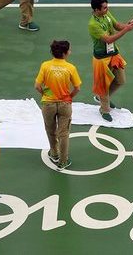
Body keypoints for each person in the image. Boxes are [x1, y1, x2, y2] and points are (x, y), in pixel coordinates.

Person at [89, 0, 133, 121]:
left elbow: (117, 26)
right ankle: (104, 109)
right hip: (101, 59)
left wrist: (129, 25)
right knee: (103, 86)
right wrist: (127, 30)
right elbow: (109, 39)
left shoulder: (106, 15)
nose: (107, 9)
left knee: (120, 80)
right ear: (96, 10)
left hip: (113, 54)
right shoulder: (93, 25)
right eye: (104, 8)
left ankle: (101, 98)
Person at [34, 40, 82, 170]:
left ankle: (54, 153)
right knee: (64, 133)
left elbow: (37, 86)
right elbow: (77, 88)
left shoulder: (45, 66)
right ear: (65, 53)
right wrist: (69, 98)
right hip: (64, 104)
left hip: (48, 104)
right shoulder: (70, 68)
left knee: (50, 130)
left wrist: (44, 93)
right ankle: (63, 161)